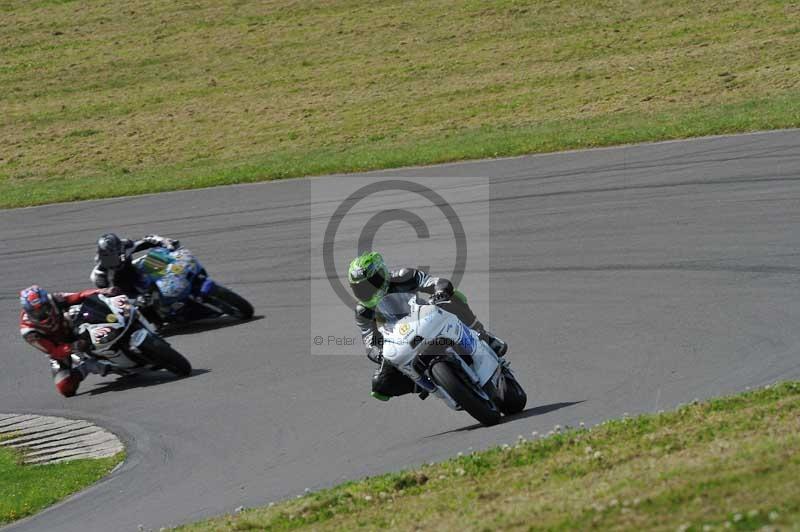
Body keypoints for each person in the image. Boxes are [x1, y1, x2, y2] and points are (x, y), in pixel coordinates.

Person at [348, 251, 508, 401]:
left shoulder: (404, 276)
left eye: (372, 282)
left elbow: (434, 282)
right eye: (361, 288)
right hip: (401, 341)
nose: (369, 289)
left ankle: (483, 335)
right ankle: (422, 383)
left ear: (382, 272)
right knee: (380, 384)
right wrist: (380, 354)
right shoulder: (363, 311)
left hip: (426, 318)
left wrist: (440, 292)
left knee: (453, 297)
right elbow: (369, 342)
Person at [19, 285, 117, 397]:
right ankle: (88, 366)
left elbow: (79, 295)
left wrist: (102, 291)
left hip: (71, 327)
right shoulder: (29, 332)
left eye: (44, 308)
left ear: (48, 303)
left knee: (76, 310)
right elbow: (53, 351)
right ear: (28, 311)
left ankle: (112, 326)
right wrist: (72, 347)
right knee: (65, 387)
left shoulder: (54, 299)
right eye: (36, 312)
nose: (42, 314)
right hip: (61, 348)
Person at [90, 233, 180, 295]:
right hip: (122, 289)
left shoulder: (125, 246)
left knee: (156, 259)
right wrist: (108, 291)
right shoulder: (100, 274)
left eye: (115, 252)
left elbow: (146, 241)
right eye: (107, 255)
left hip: (134, 272)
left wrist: (164, 241)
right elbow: (105, 293)